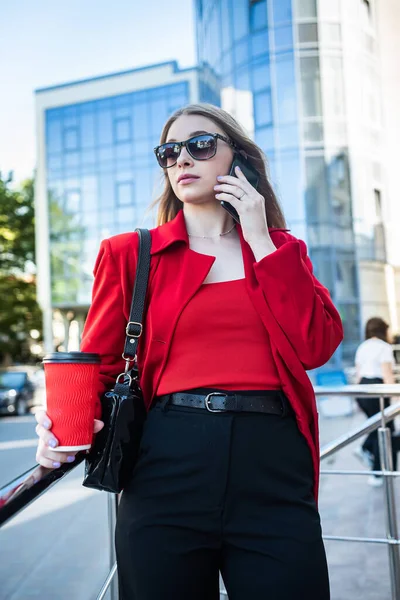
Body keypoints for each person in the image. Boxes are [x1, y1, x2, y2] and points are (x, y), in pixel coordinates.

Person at [34, 103, 343, 599]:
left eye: (200, 145)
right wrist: (58, 429)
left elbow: (317, 346)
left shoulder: (283, 249)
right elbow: (99, 366)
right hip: (166, 463)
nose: (182, 160)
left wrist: (260, 237)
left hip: (272, 465)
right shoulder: (129, 254)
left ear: (237, 160)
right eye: (169, 151)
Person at [354, 317, 397, 487]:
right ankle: (377, 473)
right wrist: (396, 397)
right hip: (378, 388)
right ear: (383, 330)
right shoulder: (384, 347)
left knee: (376, 425)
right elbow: (387, 375)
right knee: (383, 427)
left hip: (363, 389)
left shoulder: (362, 347)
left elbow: (358, 374)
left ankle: (365, 448)